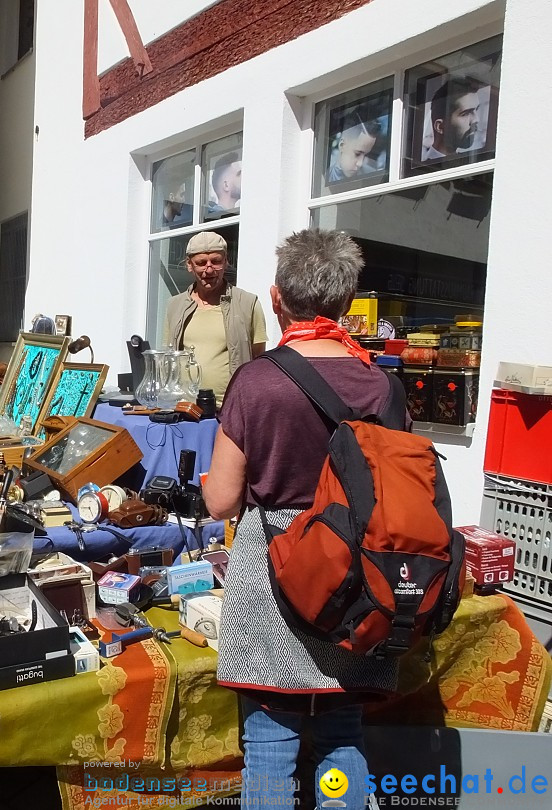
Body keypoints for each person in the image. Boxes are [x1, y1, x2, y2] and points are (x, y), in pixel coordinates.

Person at [203, 228, 406, 809]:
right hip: (361, 576)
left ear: (275, 298)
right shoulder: (384, 386)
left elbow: (221, 502)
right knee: (343, 732)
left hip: (278, 572)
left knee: (270, 737)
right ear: (346, 303)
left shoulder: (258, 381)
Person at [162, 231, 266, 407]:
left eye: (216, 261)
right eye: (201, 263)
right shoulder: (175, 305)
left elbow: (259, 361)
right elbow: (168, 357)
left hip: (231, 410)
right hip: (185, 408)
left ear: (226, 262)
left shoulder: (248, 303)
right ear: (189, 265)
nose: (209, 269)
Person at [425, 75, 485, 160]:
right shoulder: (424, 168)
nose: (476, 119)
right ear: (440, 126)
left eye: (476, 110)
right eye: (465, 114)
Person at [327, 113, 384, 183]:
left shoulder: (373, 179)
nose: (360, 163)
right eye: (357, 154)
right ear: (342, 145)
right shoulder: (321, 177)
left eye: (366, 155)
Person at [205, 153, 241, 217]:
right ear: (226, 185)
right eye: (239, 174)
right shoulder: (216, 219)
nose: (243, 178)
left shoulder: (235, 217)